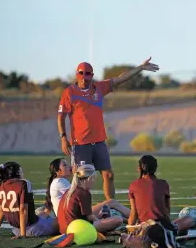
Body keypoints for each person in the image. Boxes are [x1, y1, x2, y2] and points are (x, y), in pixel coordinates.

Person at [57, 58, 159, 200]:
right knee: (81, 179)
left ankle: (112, 206)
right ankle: (79, 210)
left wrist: (140, 68)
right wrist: (63, 137)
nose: (84, 77)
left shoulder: (99, 88)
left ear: (91, 75)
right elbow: (61, 117)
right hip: (80, 143)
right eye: (81, 73)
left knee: (109, 175)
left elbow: (120, 79)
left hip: (99, 141)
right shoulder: (69, 93)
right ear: (77, 74)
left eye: (87, 74)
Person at [0, 162, 58, 238]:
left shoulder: (1, 185)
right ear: (17, 173)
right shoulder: (24, 183)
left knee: (41, 211)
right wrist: (23, 235)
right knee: (61, 220)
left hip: (16, 230)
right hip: (32, 229)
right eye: (21, 170)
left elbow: (1, 212)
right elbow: (23, 210)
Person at [128, 155, 196, 235]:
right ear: (155, 168)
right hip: (163, 229)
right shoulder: (164, 184)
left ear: (139, 168)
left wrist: (130, 230)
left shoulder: (133, 185)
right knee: (189, 219)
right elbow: (166, 213)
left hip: (143, 228)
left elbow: (133, 213)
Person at [48, 158, 130, 222]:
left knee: (109, 208)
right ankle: (136, 218)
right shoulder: (59, 182)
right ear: (58, 171)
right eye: (64, 165)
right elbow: (76, 194)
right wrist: (76, 175)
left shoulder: (60, 181)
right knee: (111, 203)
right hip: (71, 216)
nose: (69, 166)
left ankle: (132, 220)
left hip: (72, 214)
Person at [57, 164, 123, 234]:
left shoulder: (70, 191)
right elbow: (89, 217)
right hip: (77, 229)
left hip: (64, 230)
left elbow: (80, 215)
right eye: (93, 179)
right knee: (117, 220)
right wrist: (99, 220)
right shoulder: (84, 192)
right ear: (89, 178)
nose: (94, 182)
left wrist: (98, 216)